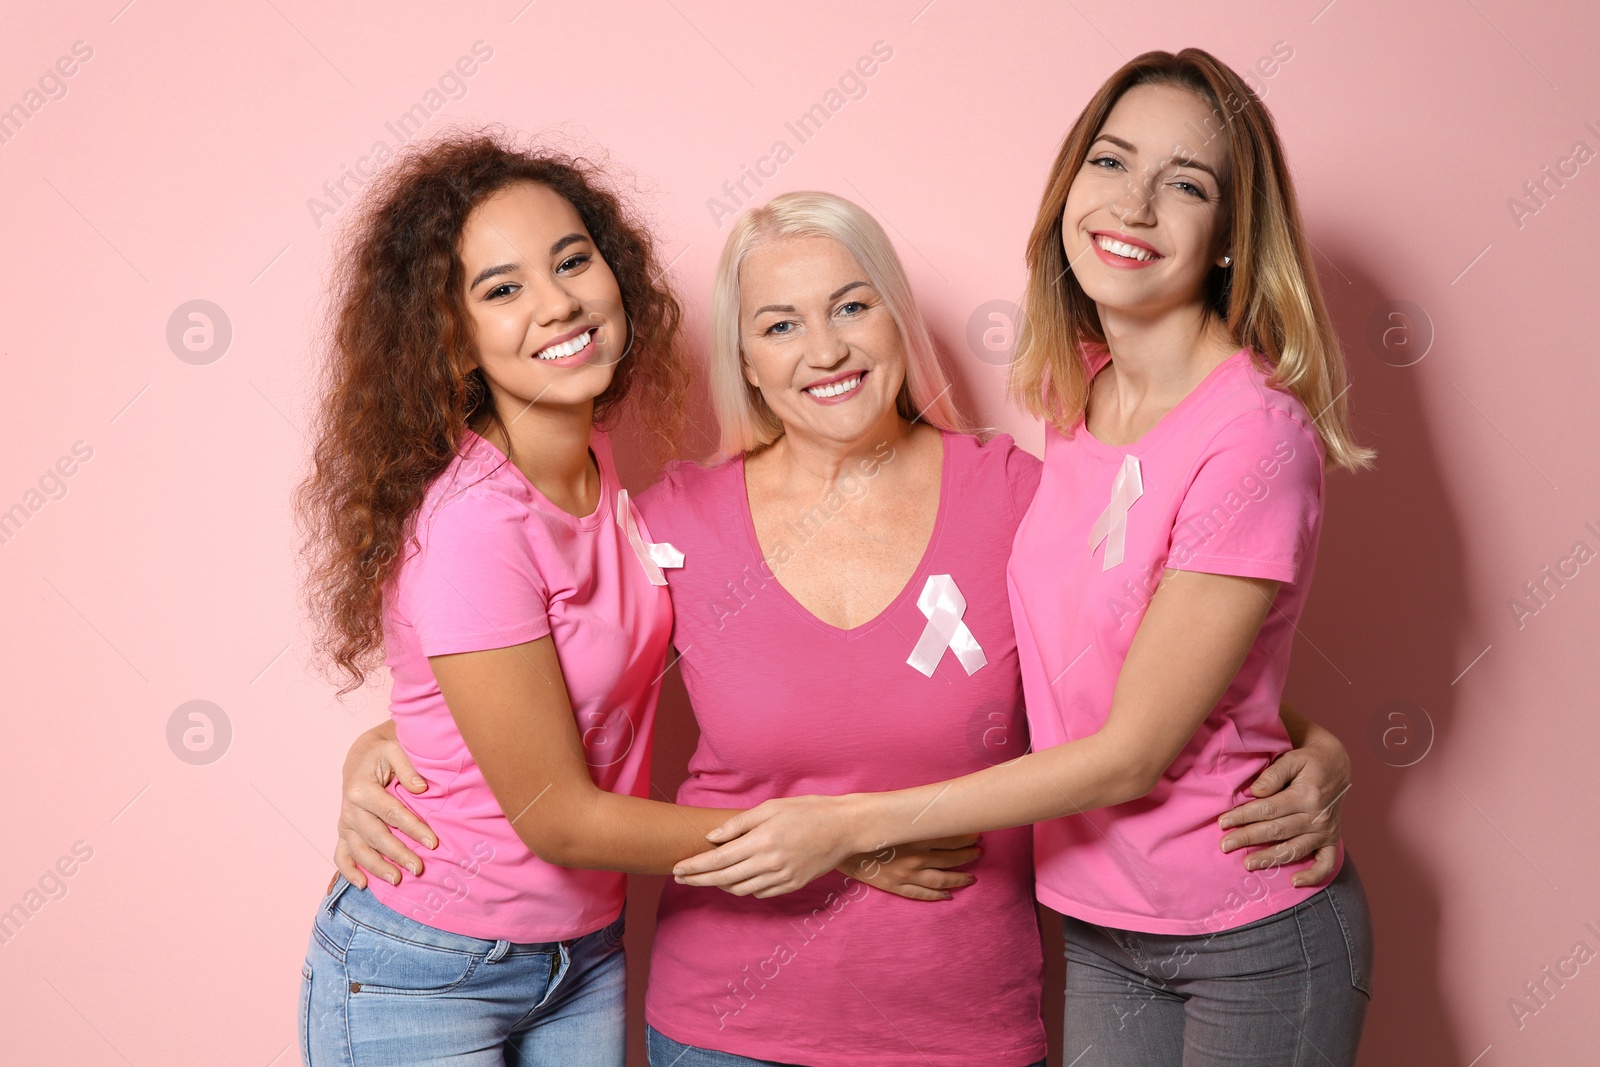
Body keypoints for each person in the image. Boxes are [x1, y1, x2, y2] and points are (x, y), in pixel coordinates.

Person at [335, 190, 1355, 1066]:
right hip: (721, 1024)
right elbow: (536, 678)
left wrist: (1312, 742)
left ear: (896, 319)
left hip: (963, 1024)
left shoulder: (1015, 495)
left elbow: (1145, 650)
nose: (823, 349)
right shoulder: (668, 521)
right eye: (778, 324)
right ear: (743, 356)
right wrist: (384, 746)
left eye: (851, 306)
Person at [672, 50, 1376, 1066]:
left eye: (1184, 184)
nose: (1132, 205)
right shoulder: (1078, 404)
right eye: (1110, 163)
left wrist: (842, 825)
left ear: (1229, 237)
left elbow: (1136, 744)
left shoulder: (1252, 435)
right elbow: (1118, 637)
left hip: (1245, 926)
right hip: (1099, 926)